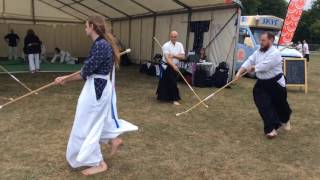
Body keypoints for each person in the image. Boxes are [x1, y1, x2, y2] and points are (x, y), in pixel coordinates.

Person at [54, 16, 138, 176]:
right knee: (97, 120)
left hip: (96, 90)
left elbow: (85, 73)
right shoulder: (100, 44)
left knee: (86, 124)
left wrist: (64, 79)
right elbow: (89, 70)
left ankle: (99, 162)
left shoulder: (100, 45)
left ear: (92, 26)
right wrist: (66, 78)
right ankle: (114, 140)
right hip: (98, 87)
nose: (85, 28)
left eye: (86, 26)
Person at [235, 32, 292, 139]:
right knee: (264, 106)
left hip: (276, 83)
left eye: (263, 40)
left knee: (281, 106)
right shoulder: (258, 52)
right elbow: (250, 60)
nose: (261, 42)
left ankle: (286, 119)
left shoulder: (275, 54)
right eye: (260, 40)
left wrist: (253, 68)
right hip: (262, 84)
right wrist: (239, 71)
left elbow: (265, 66)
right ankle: (271, 129)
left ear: (270, 40)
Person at [156, 31, 185, 106]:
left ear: (177, 37)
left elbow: (183, 56)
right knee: (172, 82)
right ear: (170, 36)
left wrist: (174, 55)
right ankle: (175, 99)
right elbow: (167, 58)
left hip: (175, 65)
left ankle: (164, 97)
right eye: (172, 36)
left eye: (175, 36)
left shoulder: (180, 45)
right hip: (167, 66)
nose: (173, 38)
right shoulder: (166, 45)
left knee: (168, 81)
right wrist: (173, 66)